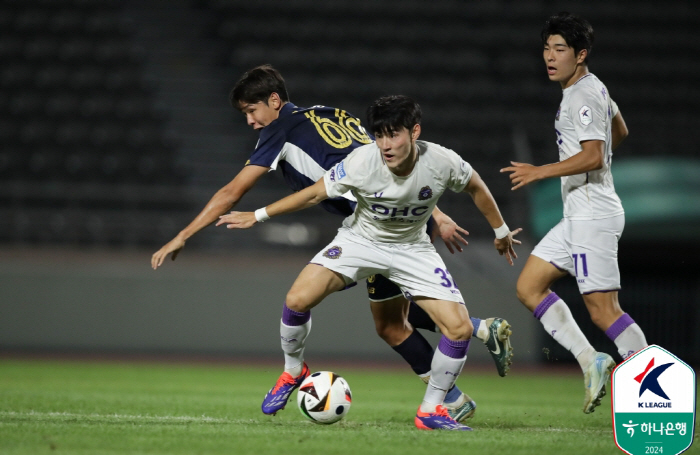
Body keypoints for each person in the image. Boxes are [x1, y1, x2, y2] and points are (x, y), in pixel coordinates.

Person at [152, 65, 514, 423]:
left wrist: (185, 234)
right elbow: (386, 163)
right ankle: (472, 345)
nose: (249, 120)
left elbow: (233, 191)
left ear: (274, 101)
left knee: (398, 322)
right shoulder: (329, 113)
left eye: (251, 110)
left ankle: (454, 382)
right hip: (368, 233)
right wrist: (436, 213)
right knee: (389, 322)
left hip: (397, 234)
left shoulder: (280, 131)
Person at [501, 12, 648, 414]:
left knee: (604, 311)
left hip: (592, 217)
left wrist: (542, 171)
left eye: (560, 50)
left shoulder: (581, 95)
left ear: (580, 54)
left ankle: (654, 397)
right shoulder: (592, 88)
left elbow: (594, 153)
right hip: (578, 216)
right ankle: (591, 360)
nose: (550, 56)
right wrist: (597, 155)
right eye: (547, 48)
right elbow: (619, 130)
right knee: (530, 287)